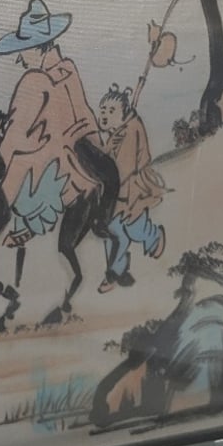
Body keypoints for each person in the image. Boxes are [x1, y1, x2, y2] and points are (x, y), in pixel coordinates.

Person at [0, 0, 116, 246]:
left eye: (23, 50)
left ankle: (31, 223)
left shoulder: (35, 81)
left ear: (38, 47)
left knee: (24, 172)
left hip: (63, 160)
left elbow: (16, 134)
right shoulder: (67, 68)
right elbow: (85, 114)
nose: (20, 58)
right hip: (87, 149)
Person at [97, 84, 167, 292]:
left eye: (111, 111)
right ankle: (115, 272)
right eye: (103, 110)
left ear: (124, 111)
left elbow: (124, 167)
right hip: (115, 191)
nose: (105, 115)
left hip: (132, 189)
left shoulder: (131, 130)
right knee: (114, 231)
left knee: (135, 227)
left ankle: (154, 237)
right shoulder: (116, 132)